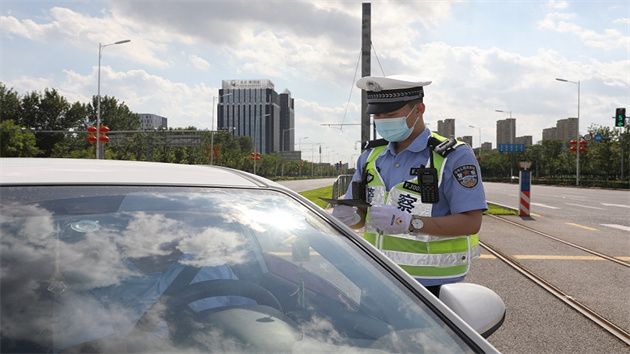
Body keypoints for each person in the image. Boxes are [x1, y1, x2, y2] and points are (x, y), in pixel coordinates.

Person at [332, 75, 486, 297]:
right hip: (378, 274)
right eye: (378, 115)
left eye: (392, 114)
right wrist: (351, 218)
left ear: (419, 110)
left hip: (433, 281)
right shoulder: (370, 156)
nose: (383, 120)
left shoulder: (453, 156)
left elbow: (471, 222)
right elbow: (364, 215)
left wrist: (410, 223)